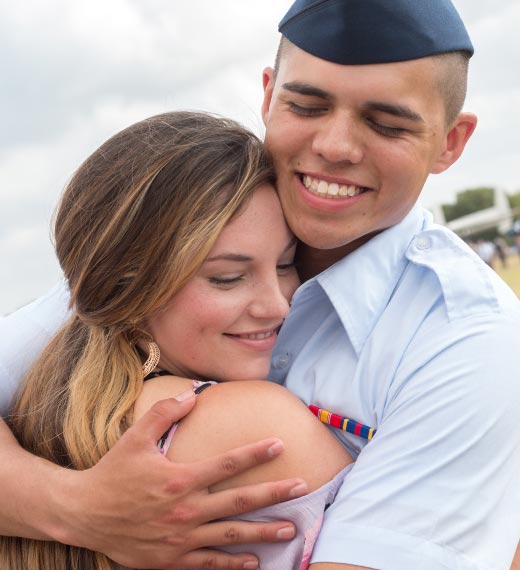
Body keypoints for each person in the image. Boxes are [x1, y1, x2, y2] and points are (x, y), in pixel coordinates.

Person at [1, 0, 520, 569]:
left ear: (451, 141)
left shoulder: (465, 339)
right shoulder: (183, 231)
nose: (335, 147)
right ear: (269, 96)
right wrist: (77, 508)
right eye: (307, 105)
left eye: (386, 123)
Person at [0, 110, 352, 569]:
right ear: (130, 290)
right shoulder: (249, 423)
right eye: (228, 278)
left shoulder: (54, 411)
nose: (279, 305)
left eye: (285, 264)